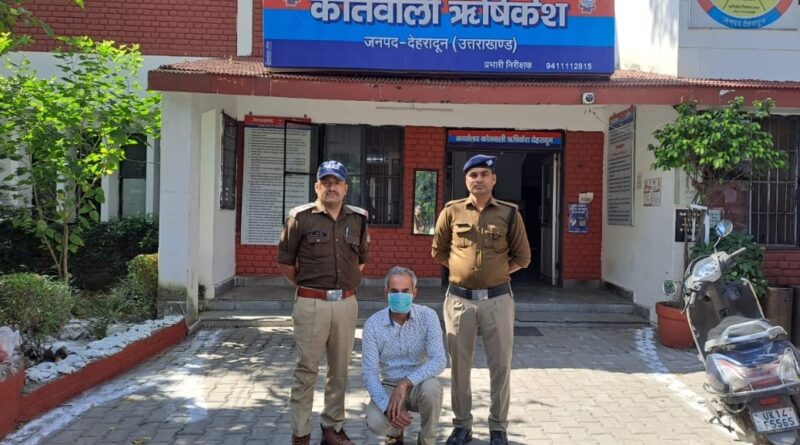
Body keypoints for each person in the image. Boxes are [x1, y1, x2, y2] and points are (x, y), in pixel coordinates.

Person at [431, 154, 531, 445]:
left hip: (497, 300)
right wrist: (460, 269)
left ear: (493, 179)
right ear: (466, 180)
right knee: (459, 367)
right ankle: (462, 425)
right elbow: (438, 251)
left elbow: (523, 257)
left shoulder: (509, 214)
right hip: (459, 301)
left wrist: (497, 272)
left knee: (500, 366)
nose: (478, 179)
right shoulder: (451, 211)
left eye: (484, 174)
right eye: (473, 175)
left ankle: (498, 428)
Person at [278, 160, 370, 445]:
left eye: (337, 182)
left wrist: (342, 287)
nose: (332, 187)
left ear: (346, 187)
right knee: (306, 371)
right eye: (326, 182)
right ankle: (300, 433)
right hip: (311, 304)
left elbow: (361, 261)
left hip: (346, 304)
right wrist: (310, 287)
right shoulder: (300, 218)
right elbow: (286, 262)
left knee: (340, 371)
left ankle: (333, 428)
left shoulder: (358, 219)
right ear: (317, 186)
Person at [362, 266, 446, 445]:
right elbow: (369, 373)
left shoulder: (428, 316)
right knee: (376, 421)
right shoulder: (373, 324)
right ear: (386, 293)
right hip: (389, 385)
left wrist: (405, 383)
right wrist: (387, 408)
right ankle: (394, 434)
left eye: (405, 291)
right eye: (394, 291)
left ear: (414, 293)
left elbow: (439, 360)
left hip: (419, 384)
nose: (400, 295)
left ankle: (427, 440)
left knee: (433, 389)